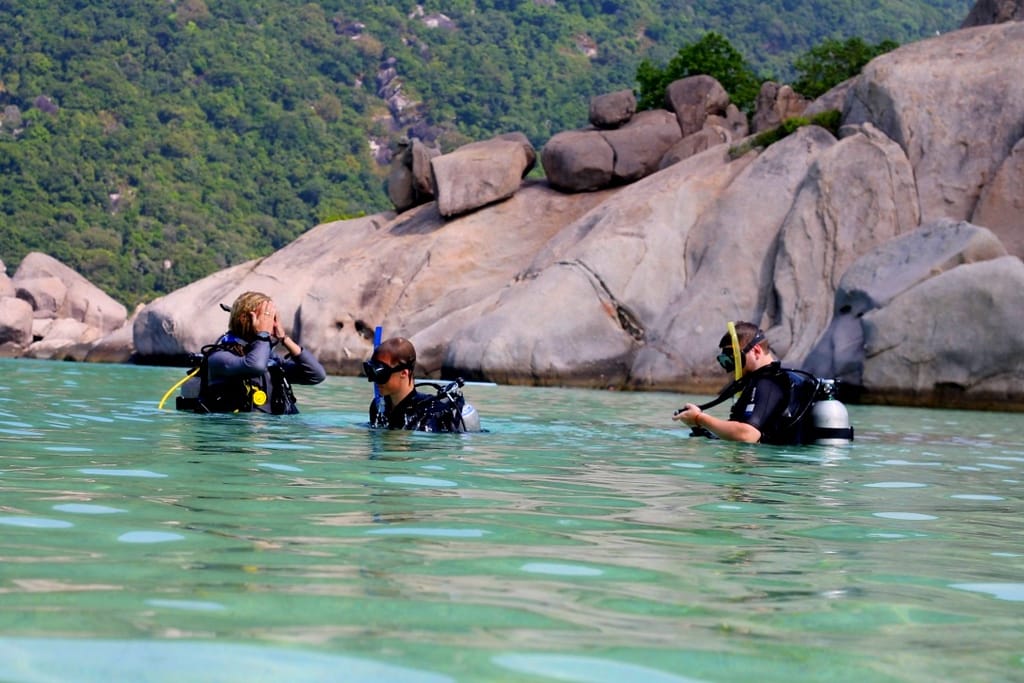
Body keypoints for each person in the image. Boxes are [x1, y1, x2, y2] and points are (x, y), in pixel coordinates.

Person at [190, 291, 326, 414]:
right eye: (265, 317)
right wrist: (263, 334)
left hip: (273, 434)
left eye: (272, 318)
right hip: (235, 436)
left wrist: (284, 338)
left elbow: (316, 375)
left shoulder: (271, 361)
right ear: (244, 319)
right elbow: (255, 366)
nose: (269, 323)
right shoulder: (219, 358)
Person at [673, 321, 804, 444]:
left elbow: (747, 434)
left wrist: (699, 419)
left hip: (768, 465)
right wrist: (697, 425)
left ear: (757, 351)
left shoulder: (769, 382)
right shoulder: (762, 382)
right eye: (726, 360)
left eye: (735, 358)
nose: (732, 367)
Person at [364, 337, 472, 432]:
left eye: (381, 374)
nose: (373, 380)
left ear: (404, 373)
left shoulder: (429, 412)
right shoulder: (378, 407)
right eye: (372, 372)